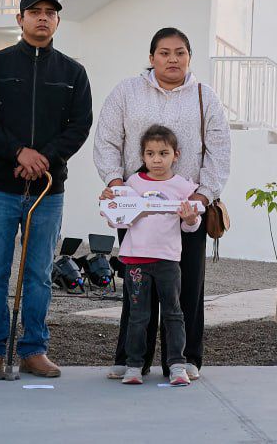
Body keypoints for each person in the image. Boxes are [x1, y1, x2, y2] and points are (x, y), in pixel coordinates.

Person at [0, 0, 92, 380]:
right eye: (34, 11)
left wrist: (44, 159)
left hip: (47, 191)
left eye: (50, 12)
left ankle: (34, 349)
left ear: (58, 20)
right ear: (19, 19)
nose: (42, 18)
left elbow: (79, 126)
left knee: (39, 274)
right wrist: (18, 152)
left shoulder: (73, 73)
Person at [94, 27, 231, 381]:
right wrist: (116, 186)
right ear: (151, 57)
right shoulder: (127, 91)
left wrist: (202, 196)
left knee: (187, 289)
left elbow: (219, 150)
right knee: (137, 289)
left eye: (180, 52)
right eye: (165, 53)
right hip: (136, 211)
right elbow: (107, 139)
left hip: (186, 210)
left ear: (189, 57)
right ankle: (131, 360)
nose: (173, 59)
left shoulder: (205, 96)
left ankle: (184, 360)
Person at [105, 124, 203, 386]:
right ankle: (134, 366)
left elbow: (191, 225)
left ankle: (177, 365)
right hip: (136, 262)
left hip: (168, 261)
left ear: (176, 155)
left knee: (173, 314)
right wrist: (110, 208)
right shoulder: (132, 184)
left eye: (163, 153)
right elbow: (119, 220)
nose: (156, 159)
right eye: (150, 154)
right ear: (142, 156)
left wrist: (190, 219)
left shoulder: (183, 187)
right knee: (138, 316)